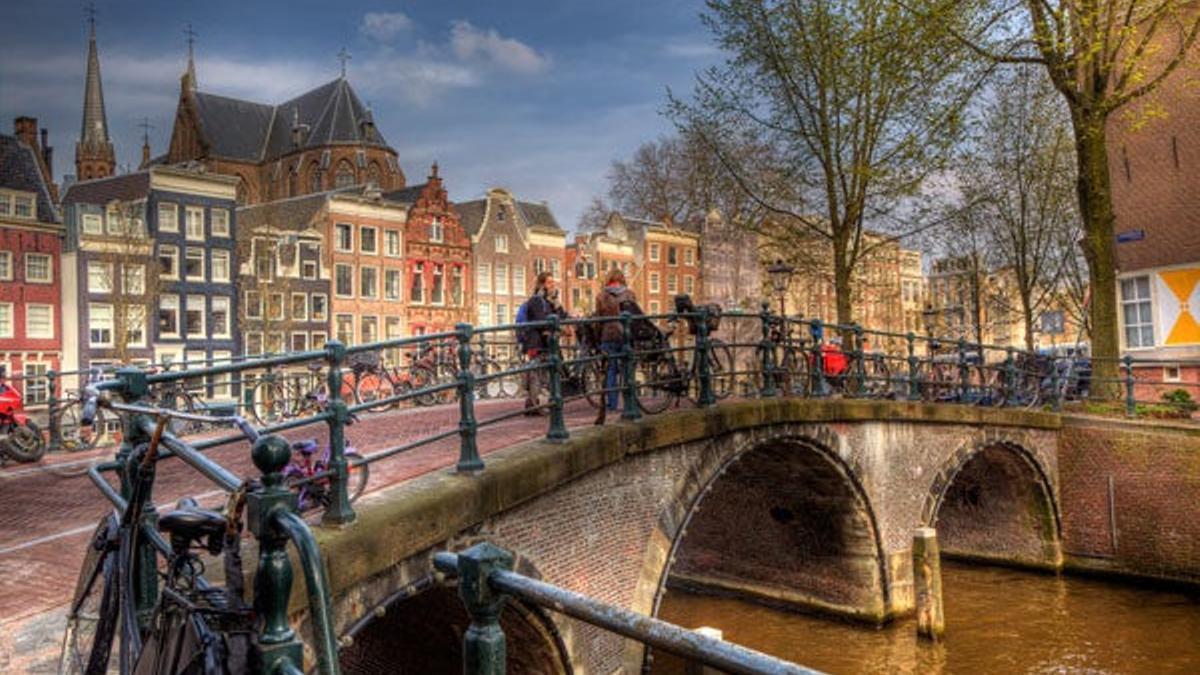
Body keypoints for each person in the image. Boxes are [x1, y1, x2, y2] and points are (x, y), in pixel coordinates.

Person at [593, 268, 639, 411]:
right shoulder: (630, 294)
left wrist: (597, 338)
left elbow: (598, 320)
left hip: (608, 335)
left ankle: (612, 404)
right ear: (621, 279)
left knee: (610, 370)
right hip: (625, 335)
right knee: (627, 369)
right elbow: (636, 316)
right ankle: (629, 402)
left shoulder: (601, 296)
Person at [521, 272, 565, 414]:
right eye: (549, 283)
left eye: (553, 283)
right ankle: (534, 406)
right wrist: (552, 326)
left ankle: (534, 404)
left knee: (547, 373)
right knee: (536, 374)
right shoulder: (535, 301)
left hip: (547, 342)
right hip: (536, 342)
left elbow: (563, 316)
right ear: (541, 285)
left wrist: (556, 303)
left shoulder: (548, 302)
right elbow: (540, 320)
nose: (552, 286)